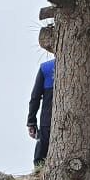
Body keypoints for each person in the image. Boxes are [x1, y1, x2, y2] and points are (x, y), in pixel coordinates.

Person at [27, 26, 56, 167]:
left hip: (48, 121)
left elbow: (35, 97)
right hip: (72, 121)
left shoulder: (46, 68)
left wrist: (31, 121)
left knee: (40, 158)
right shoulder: (81, 67)